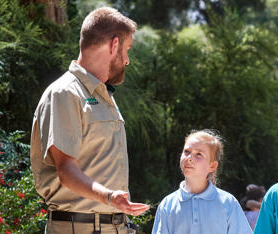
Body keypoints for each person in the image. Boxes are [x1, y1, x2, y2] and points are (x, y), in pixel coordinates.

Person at [29, 7, 149, 234]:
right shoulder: (64, 93)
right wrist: (109, 197)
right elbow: (66, 172)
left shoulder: (103, 96)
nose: (127, 61)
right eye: (127, 50)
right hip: (78, 228)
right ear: (114, 45)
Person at [151, 129, 252, 234]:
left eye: (198, 154)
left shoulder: (228, 203)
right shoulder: (167, 205)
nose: (189, 158)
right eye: (187, 152)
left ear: (212, 166)